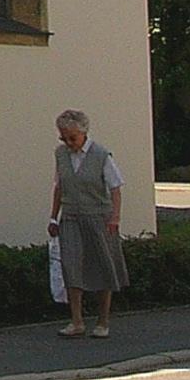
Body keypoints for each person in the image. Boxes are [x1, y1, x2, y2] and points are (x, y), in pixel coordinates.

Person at [48, 108, 128, 337]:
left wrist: (115, 218)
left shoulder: (101, 155)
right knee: (71, 267)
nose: (68, 142)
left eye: (72, 138)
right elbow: (59, 186)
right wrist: (53, 217)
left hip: (98, 218)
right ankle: (77, 321)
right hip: (71, 217)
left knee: (103, 266)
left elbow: (115, 189)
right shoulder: (61, 155)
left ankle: (103, 321)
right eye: (63, 138)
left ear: (84, 133)